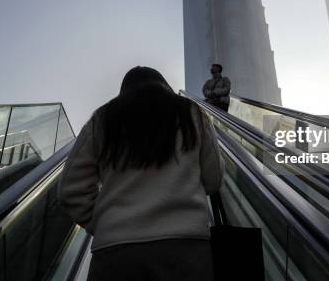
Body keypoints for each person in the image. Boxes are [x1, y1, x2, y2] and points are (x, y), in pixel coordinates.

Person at [58, 66, 223, 281]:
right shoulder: (192, 113)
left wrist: (101, 224)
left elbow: (69, 190)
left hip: (115, 254)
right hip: (186, 249)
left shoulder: (103, 119)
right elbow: (213, 180)